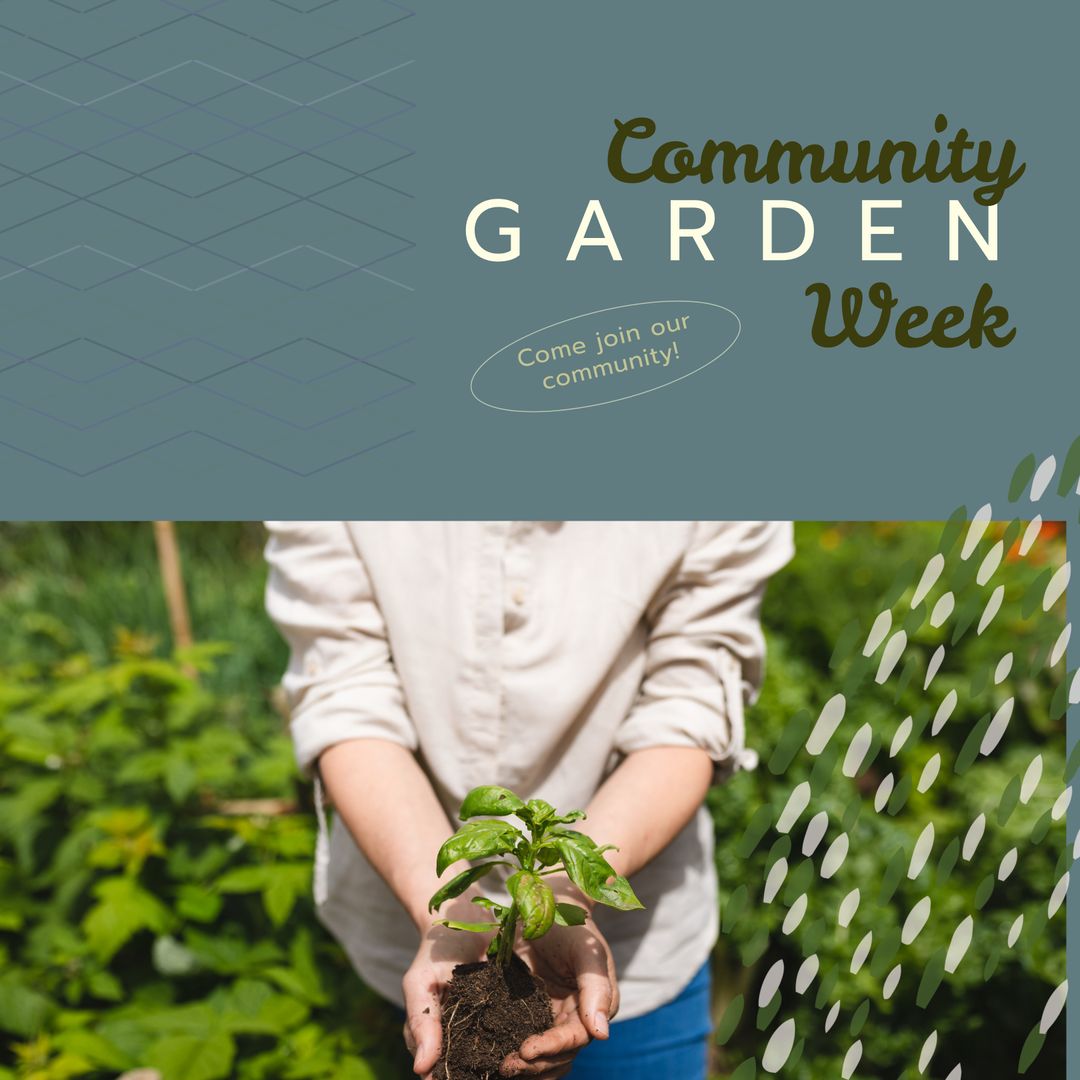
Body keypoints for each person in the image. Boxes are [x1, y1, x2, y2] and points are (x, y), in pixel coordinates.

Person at [265, 521, 793, 1080]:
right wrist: (450, 909)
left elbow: (689, 707)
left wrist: (567, 890)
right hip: (407, 937)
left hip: (638, 951)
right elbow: (345, 692)